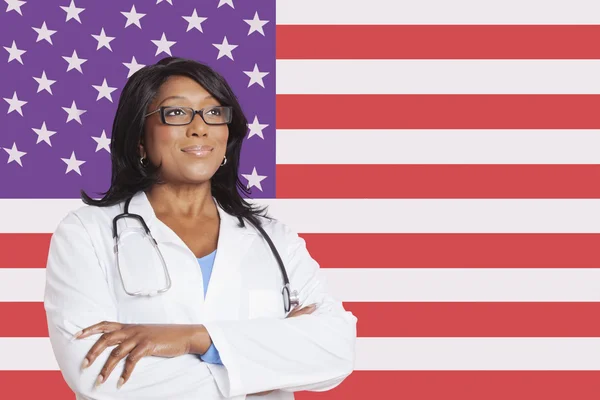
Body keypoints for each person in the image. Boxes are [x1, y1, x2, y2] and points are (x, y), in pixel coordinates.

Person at [43, 56, 357, 400]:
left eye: (214, 112)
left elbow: (336, 351)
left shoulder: (276, 239)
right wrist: (265, 365)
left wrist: (195, 338)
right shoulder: (86, 233)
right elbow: (98, 374)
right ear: (139, 140)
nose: (200, 127)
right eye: (176, 113)